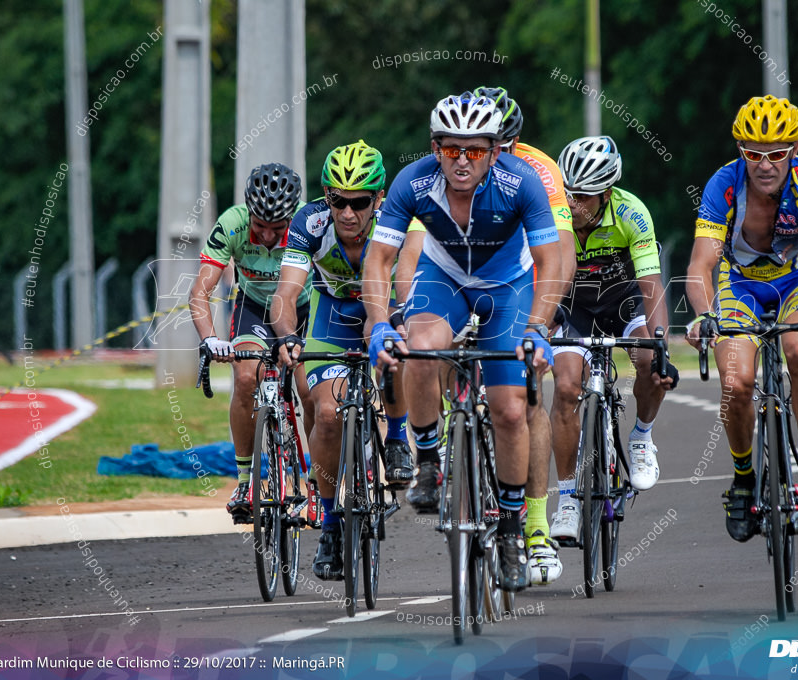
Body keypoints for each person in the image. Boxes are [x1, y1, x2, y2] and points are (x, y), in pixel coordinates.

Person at [363, 93, 563, 591]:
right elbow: (379, 261)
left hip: (507, 286)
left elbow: (554, 263)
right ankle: (429, 459)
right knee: (421, 347)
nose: (462, 161)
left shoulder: (523, 184)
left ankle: (514, 529)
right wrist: (379, 324)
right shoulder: (413, 181)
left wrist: (538, 327)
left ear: (495, 152)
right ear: (436, 148)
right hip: (443, 277)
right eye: (451, 149)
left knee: (512, 410)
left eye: (474, 150)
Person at [685, 95, 798, 542]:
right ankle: (744, 479)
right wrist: (705, 316)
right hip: (739, 282)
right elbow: (701, 266)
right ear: (740, 150)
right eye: (753, 153)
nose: (765, 164)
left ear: (795, 149)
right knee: (737, 382)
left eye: (777, 152)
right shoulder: (723, 185)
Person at [272, 140, 412, 581]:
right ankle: (331, 522)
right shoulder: (310, 222)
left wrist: (401, 321)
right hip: (332, 315)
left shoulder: (396, 220)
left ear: (379, 199)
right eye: (337, 200)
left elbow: (408, 283)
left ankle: (397, 438)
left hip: (385, 308)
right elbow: (286, 293)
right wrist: (288, 336)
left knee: (396, 349)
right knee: (328, 416)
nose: (347, 213)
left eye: (358, 202)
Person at [548, 135, 677, 545]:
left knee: (648, 364)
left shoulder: (631, 213)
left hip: (623, 302)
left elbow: (652, 285)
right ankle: (567, 500)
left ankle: (641, 437)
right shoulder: (553, 213)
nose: (573, 203)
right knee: (567, 387)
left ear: (606, 193)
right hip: (573, 306)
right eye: (569, 192)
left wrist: (660, 345)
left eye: (583, 196)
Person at [471, 86, 575, 586]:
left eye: (508, 146)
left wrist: (544, 315)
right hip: (463, 277)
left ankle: (535, 530)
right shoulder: (455, 163)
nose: (500, 157)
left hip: (522, 276)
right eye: (493, 146)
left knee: (528, 400)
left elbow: (560, 252)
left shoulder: (538, 172)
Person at [189, 162, 312, 524]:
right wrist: (211, 339)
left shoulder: (307, 225)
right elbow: (201, 289)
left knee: (309, 389)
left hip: (303, 307)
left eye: (279, 229)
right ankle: (245, 482)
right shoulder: (232, 223)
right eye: (261, 227)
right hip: (255, 307)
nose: (270, 237)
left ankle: (317, 483)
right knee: (245, 379)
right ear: (249, 214)